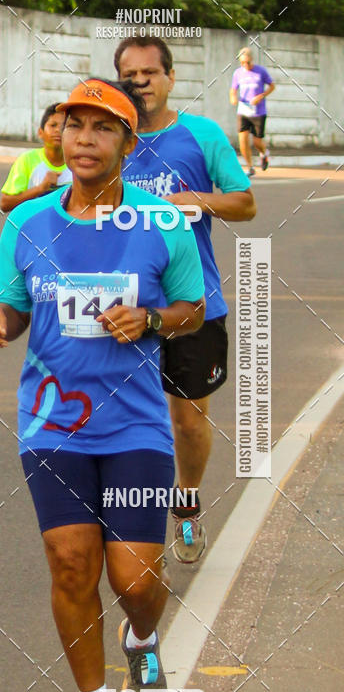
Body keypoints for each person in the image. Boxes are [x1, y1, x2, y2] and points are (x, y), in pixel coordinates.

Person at [0, 78, 205, 692]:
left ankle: (142, 639)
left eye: (102, 128)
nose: (84, 139)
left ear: (128, 145)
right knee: (70, 563)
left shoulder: (163, 223)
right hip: (52, 422)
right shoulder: (29, 223)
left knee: (133, 580)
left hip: (135, 426)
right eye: (74, 125)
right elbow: (13, 309)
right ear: (58, 136)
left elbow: (192, 308)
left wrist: (154, 319)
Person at [114, 35, 256, 564]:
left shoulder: (201, 135)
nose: (142, 83)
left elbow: (245, 204)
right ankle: (134, 526)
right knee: (128, 423)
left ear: (170, 78)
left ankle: (188, 499)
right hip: (122, 309)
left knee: (188, 423)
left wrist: (195, 200)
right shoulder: (111, 139)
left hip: (195, 305)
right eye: (131, 75)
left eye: (151, 73)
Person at [0, 104, 72, 212]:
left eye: (63, 126)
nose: (58, 130)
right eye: (53, 125)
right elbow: (5, 204)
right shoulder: (27, 160)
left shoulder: (78, 163)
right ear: (40, 132)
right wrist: (41, 188)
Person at [229, 47, 275, 177]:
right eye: (243, 63)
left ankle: (264, 153)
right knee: (242, 139)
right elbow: (233, 89)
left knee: (257, 142)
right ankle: (250, 167)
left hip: (258, 112)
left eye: (248, 62)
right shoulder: (238, 73)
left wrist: (261, 96)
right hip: (243, 110)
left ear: (252, 59)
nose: (246, 65)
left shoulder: (260, 72)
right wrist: (233, 97)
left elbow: (272, 86)